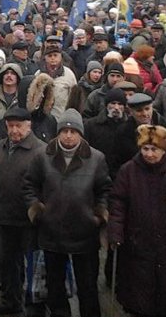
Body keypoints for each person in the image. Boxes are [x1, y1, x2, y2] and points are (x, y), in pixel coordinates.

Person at [24, 109, 111, 317]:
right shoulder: (42, 156)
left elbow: (104, 190)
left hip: (85, 232)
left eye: (73, 131)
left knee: (88, 286)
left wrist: (99, 215)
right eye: (64, 131)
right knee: (55, 286)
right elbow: (29, 186)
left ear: (81, 133)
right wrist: (37, 210)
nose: (69, 135)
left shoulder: (97, 158)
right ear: (58, 133)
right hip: (52, 231)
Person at [107, 122, 166, 317]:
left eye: (154, 149)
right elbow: (118, 203)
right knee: (139, 298)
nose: (149, 154)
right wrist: (115, 231)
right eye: (145, 148)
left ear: (163, 151)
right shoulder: (128, 171)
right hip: (138, 244)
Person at [0, 106, 46, 311]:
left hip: (28, 220)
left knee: (31, 265)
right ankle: (10, 301)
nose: (14, 131)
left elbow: (46, 185)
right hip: (5, 215)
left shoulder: (40, 150)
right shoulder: (1, 146)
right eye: (10, 126)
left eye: (18, 126)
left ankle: (32, 305)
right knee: (8, 263)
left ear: (29, 126)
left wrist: (37, 210)